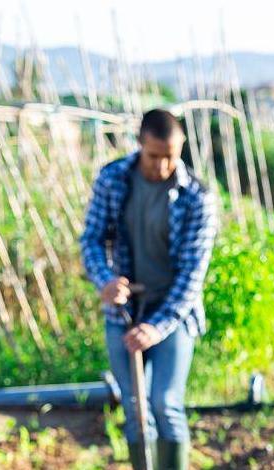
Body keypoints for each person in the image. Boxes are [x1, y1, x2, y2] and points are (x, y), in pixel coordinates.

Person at [80, 109, 218, 469]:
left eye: (171, 156)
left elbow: (192, 275)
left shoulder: (196, 197)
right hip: (124, 311)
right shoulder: (113, 180)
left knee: (164, 402)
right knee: (136, 406)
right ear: (140, 144)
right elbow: (92, 239)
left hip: (173, 313)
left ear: (181, 148)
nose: (162, 165)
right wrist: (105, 281)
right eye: (154, 155)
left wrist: (156, 327)